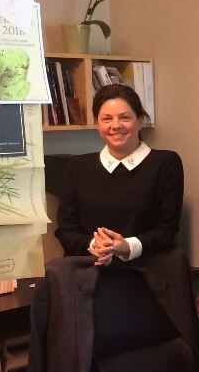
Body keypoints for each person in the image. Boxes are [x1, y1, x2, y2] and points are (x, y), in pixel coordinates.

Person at [56, 83, 183, 266]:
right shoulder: (76, 167)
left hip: (147, 269)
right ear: (97, 123)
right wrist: (97, 246)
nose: (116, 126)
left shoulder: (165, 163)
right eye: (107, 119)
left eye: (124, 117)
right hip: (88, 269)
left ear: (140, 120)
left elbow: (167, 231)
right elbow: (66, 231)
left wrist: (126, 247)